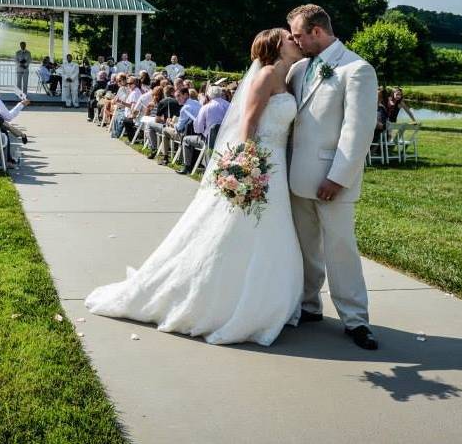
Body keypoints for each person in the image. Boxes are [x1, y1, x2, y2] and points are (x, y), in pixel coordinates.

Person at [86, 27, 306, 345]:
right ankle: (223, 301)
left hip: (276, 169)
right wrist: (245, 166)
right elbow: (248, 122)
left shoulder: (287, 78)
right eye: (289, 38)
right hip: (258, 165)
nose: (294, 41)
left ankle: (269, 301)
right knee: (235, 232)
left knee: (270, 233)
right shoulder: (267, 75)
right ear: (276, 46)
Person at [287, 4, 379, 350]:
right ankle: (310, 305)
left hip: (332, 180)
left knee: (341, 249)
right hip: (298, 177)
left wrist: (338, 177)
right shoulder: (298, 69)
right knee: (306, 247)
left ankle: (356, 319)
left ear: (316, 32)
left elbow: (358, 130)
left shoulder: (356, 70)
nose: (295, 42)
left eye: (298, 35)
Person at [177, 85, 230, 174]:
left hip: (209, 141)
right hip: (225, 139)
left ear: (208, 96)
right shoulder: (229, 105)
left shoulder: (206, 107)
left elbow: (198, 129)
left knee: (186, 140)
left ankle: (187, 167)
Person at [145, 85, 180, 160]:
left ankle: (153, 148)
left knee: (149, 125)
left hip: (167, 127)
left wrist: (163, 120)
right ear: (173, 92)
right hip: (178, 128)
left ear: (164, 93)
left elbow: (157, 120)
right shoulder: (178, 101)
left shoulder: (162, 102)